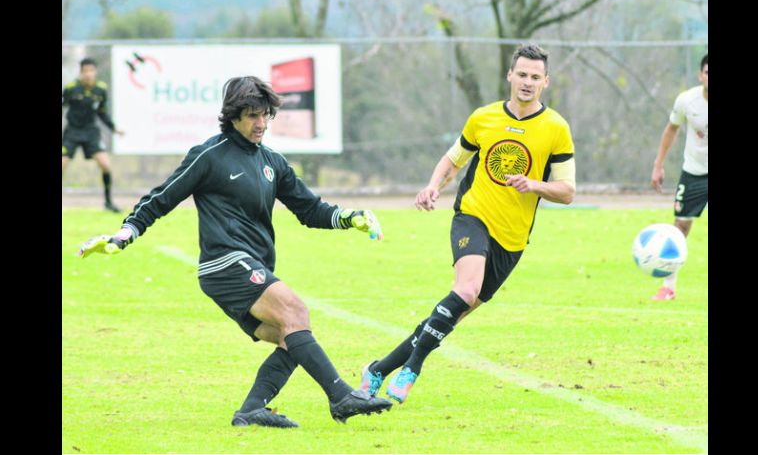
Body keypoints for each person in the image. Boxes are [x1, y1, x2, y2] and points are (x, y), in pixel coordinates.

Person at [78, 75, 392, 428]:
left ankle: (252, 410)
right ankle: (341, 396)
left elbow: (310, 209)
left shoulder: (272, 161)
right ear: (233, 115)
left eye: (266, 115)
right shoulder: (209, 156)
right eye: (252, 115)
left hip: (251, 265)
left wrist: (350, 218)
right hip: (223, 263)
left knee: (295, 331)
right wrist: (124, 234)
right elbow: (161, 198)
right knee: (295, 309)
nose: (261, 123)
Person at [359, 44, 576, 403]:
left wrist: (534, 184)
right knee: (466, 290)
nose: (527, 82)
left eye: (535, 77)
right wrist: (432, 185)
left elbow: (567, 191)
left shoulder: (556, 128)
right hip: (472, 217)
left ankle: (379, 369)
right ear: (510, 75)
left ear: (545, 82)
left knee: (449, 317)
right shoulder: (483, 117)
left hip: (513, 239)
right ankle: (412, 369)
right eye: (521, 74)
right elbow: (453, 159)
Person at [650, 54, 708, 301]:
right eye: (708, 72)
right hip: (694, 173)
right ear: (700, 75)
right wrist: (658, 165)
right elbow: (671, 129)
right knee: (680, 228)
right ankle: (668, 287)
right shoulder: (687, 100)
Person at [62, 57, 126, 212]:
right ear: (81, 73)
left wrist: (114, 128)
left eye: (91, 71)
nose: (88, 74)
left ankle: (108, 202)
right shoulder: (71, 88)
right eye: (85, 71)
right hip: (72, 132)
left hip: (91, 132)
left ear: (95, 72)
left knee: (105, 165)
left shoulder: (101, 89)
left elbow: (102, 113)